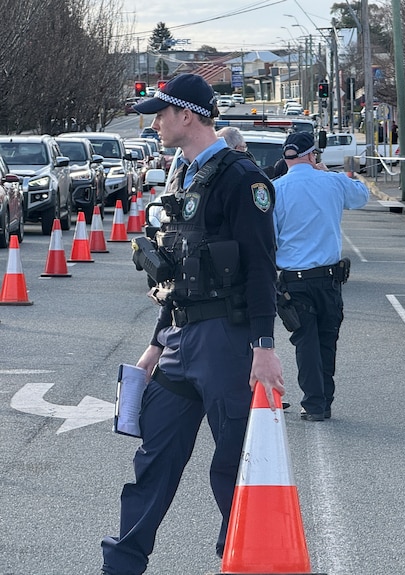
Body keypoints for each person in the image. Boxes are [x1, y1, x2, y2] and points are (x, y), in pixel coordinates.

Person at [101, 73, 284, 575]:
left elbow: (261, 266)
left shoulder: (241, 178)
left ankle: (242, 561)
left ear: (187, 115)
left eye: (161, 114)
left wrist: (264, 346)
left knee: (232, 468)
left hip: (227, 342)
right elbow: (179, 267)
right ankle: (120, 564)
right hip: (181, 341)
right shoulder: (181, 173)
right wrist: (157, 342)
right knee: (154, 459)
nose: (154, 123)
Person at [271, 132, 369, 421]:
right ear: (313, 156)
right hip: (327, 279)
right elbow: (362, 196)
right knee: (327, 339)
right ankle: (324, 400)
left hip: (292, 280)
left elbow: (272, 237)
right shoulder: (332, 182)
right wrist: (325, 172)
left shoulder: (277, 189)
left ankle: (313, 403)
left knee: (305, 341)